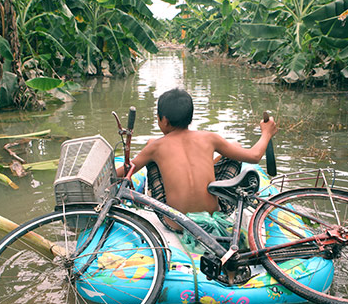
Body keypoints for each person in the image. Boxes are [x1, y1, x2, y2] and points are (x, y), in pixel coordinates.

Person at [116, 88, 277, 227]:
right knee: (235, 148)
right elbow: (255, 156)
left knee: (152, 151)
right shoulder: (209, 138)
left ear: (163, 120)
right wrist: (266, 133)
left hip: (175, 222)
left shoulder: (155, 146)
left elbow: (127, 170)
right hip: (212, 216)